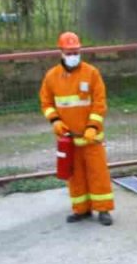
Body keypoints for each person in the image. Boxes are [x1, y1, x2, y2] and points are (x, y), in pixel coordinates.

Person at [40, 31, 115, 225]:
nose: (73, 55)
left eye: (76, 51)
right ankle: (81, 209)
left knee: (98, 174)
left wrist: (92, 126)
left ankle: (103, 209)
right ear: (61, 52)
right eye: (69, 52)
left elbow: (99, 103)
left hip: (91, 137)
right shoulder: (52, 77)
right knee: (75, 177)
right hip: (69, 138)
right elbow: (46, 103)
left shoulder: (91, 73)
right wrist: (55, 121)